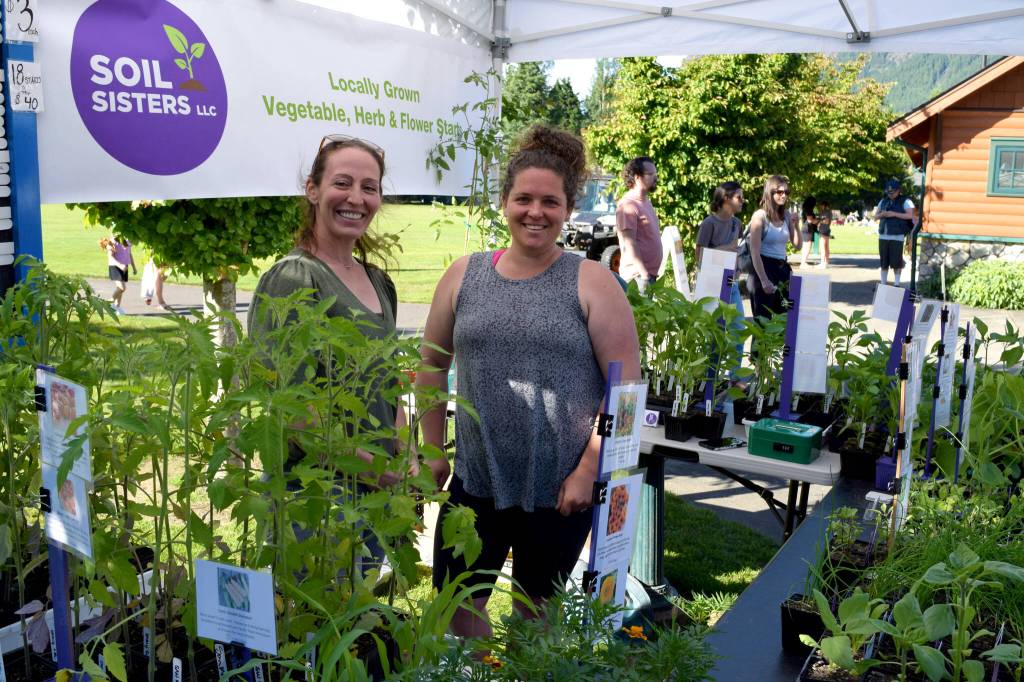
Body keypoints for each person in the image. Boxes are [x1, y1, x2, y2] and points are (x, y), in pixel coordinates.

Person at [418, 125, 641, 639]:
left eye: (550, 201)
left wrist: (589, 468)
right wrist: (431, 450)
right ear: (504, 202)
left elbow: (624, 391)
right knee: (456, 611)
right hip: (474, 482)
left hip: (559, 489)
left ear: (568, 208)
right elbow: (431, 365)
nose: (535, 212)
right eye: (523, 198)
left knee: (535, 623)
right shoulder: (463, 275)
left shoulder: (591, 281)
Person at [247, 134, 413, 575]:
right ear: (313, 189)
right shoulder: (295, 279)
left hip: (373, 495)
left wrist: (405, 452)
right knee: (312, 627)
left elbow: (388, 381)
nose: (356, 198)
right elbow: (294, 413)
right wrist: (378, 469)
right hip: (315, 500)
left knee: (352, 623)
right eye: (343, 183)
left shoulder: (379, 282)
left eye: (369, 187)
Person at [696, 182, 746, 373]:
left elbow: (737, 251)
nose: (742, 201)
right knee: (714, 335)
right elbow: (699, 257)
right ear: (726, 198)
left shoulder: (736, 223)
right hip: (712, 284)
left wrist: (738, 267)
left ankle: (733, 378)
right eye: (739, 197)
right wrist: (726, 249)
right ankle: (709, 381)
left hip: (731, 283)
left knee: (738, 329)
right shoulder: (709, 223)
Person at [747, 175, 801, 322]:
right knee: (762, 324)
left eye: (786, 192)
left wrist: (796, 225)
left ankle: (781, 347)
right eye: (779, 192)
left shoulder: (786, 215)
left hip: (782, 270)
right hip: (763, 270)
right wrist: (764, 281)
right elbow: (754, 251)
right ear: (769, 192)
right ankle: (759, 347)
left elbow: (797, 245)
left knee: (785, 321)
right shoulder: (760, 216)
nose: (784, 195)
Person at [614, 156, 663, 288]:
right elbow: (629, 243)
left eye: (655, 174)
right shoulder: (628, 205)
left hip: (647, 276)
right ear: (637, 177)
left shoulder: (645, 201)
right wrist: (644, 274)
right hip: (637, 278)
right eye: (650, 174)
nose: (655, 178)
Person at [872, 179, 915, 286]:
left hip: (897, 236)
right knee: (883, 262)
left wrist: (893, 214)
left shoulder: (906, 201)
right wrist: (882, 215)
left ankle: (896, 284)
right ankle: (883, 283)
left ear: (898, 190)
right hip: (883, 235)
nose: (890, 194)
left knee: (896, 263)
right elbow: (875, 216)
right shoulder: (883, 201)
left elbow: (911, 216)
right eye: (888, 192)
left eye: (893, 192)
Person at [103, 236, 136, 314]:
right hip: (115, 266)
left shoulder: (127, 240)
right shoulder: (112, 241)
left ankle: (117, 307)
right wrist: (120, 265)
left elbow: (129, 254)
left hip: (124, 266)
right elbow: (110, 257)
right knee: (122, 288)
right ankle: (107, 303)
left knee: (120, 289)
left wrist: (134, 267)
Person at [798, 196, 818, 269]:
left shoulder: (804, 209)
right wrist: (817, 221)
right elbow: (810, 220)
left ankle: (803, 262)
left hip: (805, 228)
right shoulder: (809, 210)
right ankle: (803, 263)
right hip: (808, 228)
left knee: (805, 246)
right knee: (808, 246)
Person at [816, 200, 832, 269]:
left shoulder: (826, 212)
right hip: (826, 229)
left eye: (821, 205)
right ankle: (826, 262)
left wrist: (819, 220)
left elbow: (826, 221)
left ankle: (823, 262)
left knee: (823, 246)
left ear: (824, 205)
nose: (820, 207)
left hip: (823, 229)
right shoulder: (827, 212)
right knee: (826, 247)